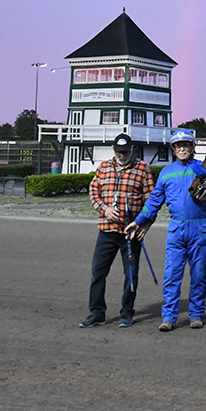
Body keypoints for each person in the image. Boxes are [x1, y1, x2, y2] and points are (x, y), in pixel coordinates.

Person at [126, 129, 206, 332]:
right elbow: (154, 201)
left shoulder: (203, 168)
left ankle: (196, 314)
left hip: (201, 228)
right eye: (178, 145)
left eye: (186, 145)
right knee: (172, 274)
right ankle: (169, 316)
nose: (182, 148)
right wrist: (138, 221)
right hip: (177, 229)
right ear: (173, 149)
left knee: (199, 274)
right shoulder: (166, 172)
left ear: (192, 148)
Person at [80, 133, 155, 328]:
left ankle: (127, 313)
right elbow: (93, 193)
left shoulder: (143, 169)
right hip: (106, 230)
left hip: (130, 233)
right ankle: (96, 313)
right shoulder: (104, 167)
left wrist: (144, 225)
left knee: (131, 275)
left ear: (132, 150)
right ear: (114, 150)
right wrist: (105, 209)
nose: (122, 154)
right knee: (98, 273)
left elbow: (151, 202)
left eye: (126, 151)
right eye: (119, 151)